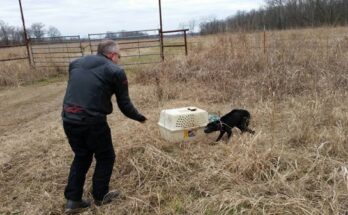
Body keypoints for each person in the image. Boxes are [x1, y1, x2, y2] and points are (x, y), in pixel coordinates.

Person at [61, 40, 147, 213]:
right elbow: (124, 104)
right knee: (106, 156)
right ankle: (101, 196)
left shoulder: (75, 64)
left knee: (82, 155)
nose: (118, 59)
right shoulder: (116, 71)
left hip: (68, 118)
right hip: (92, 121)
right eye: (119, 56)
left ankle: (73, 200)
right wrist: (140, 118)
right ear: (112, 55)